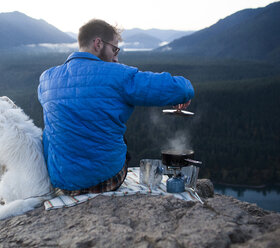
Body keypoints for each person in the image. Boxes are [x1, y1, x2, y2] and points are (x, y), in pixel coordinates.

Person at [38, 19, 193, 195]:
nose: (116, 57)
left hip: (62, 183)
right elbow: (176, 87)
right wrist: (186, 92)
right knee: (118, 136)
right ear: (98, 43)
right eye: (114, 49)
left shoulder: (46, 79)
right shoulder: (118, 74)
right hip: (104, 181)